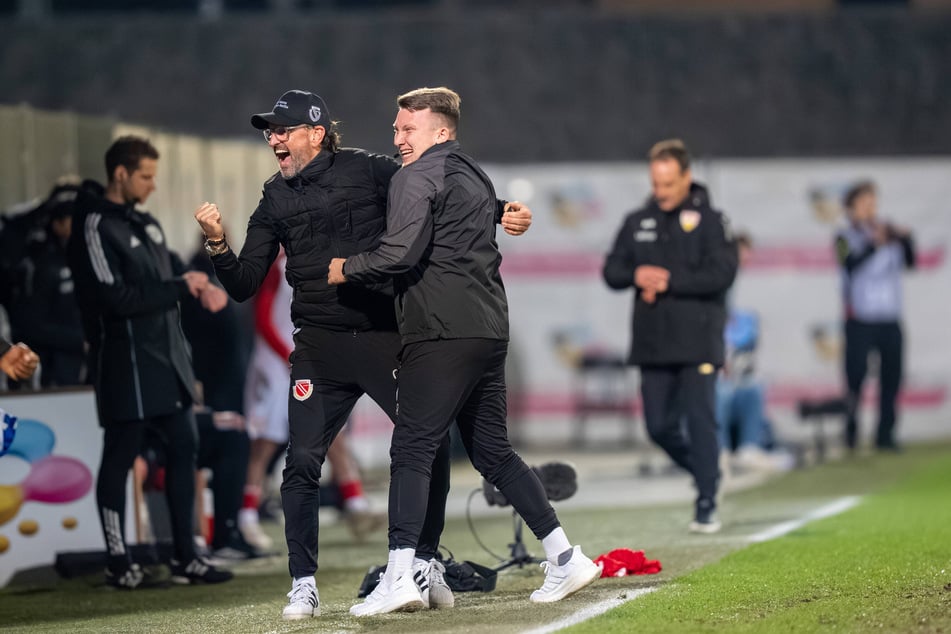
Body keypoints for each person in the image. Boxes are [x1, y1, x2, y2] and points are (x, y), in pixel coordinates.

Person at [193, 89, 532, 620]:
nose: (274, 139)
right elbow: (243, 284)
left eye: (282, 130)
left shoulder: (368, 170)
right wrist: (217, 244)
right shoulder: (273, 199)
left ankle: (423, 562)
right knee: (301, 462)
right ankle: (302, 584)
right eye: (269, 132)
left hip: (382, 337)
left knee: (426, 445)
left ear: (316, 133)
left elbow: (438, 192)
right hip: (318, 350)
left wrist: (501, 211)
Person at [329, 86, 600, 616]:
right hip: (489, 331)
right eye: (396, 128)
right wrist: (506, 212)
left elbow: (398, 252)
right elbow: (465, 217)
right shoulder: (474, 172)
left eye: (408, 129)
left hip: (441, 331)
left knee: (410, 450)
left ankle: (401, 575)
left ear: (441, 131)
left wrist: (347, 268)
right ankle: (564, 556)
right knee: (493, 453)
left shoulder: (416, 175)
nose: (398, 137)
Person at [66, 136, 233, 589]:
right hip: (125, 365)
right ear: (120, 174)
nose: (152, 186)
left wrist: (197, 283)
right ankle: (118, 561)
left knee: (184, 448)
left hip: (164, 362)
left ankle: (186, 555)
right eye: (145, 176)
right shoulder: (96, 226)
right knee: (120, 458)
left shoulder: (146, 224)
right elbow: (113, 298)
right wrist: (182, 286)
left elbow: (168, 276)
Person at [602, 138, 738, 534]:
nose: (660, 192)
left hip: (698, 340)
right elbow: (611, 271)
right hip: (653, 343)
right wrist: (635, 275)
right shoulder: (637, 220)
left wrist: (669, 280)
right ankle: (706, 470)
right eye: (655, 184)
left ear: (686, 177)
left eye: (668, 184)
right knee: (658, 427)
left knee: (700, 422)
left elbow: (723, 274)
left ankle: (707, 500)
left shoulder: (712, 221)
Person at [239, 249, 385, 550]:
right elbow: (263, 319)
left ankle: (356, 506)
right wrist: (287, 354)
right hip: (275, 364)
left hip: (303, 359)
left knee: (333, 432)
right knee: (264, 445)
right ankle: (246, 517)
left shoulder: (321, 263)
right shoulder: (274, 267)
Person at [835, 180, 915, 452]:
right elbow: (848, 263)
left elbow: (911, 261)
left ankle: (886, 434)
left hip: (889, 318)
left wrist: (905, 238)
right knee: (855, 378)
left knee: (892, 377)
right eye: (864, 203)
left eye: (873, 203)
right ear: (851, 207)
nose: (870, 209)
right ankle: (851, 433)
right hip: (860, 319)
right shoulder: (844, 237)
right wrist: (873, 244)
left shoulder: (888, 233)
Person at [716, 233, 793, 473]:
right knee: (722, 391)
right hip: (707, 365)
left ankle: (749, 447)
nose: (747, 258)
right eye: (743, 252)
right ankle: (718, 451)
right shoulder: (715, 282)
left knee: (752, 387)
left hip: (723, 360)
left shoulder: (730, 284)